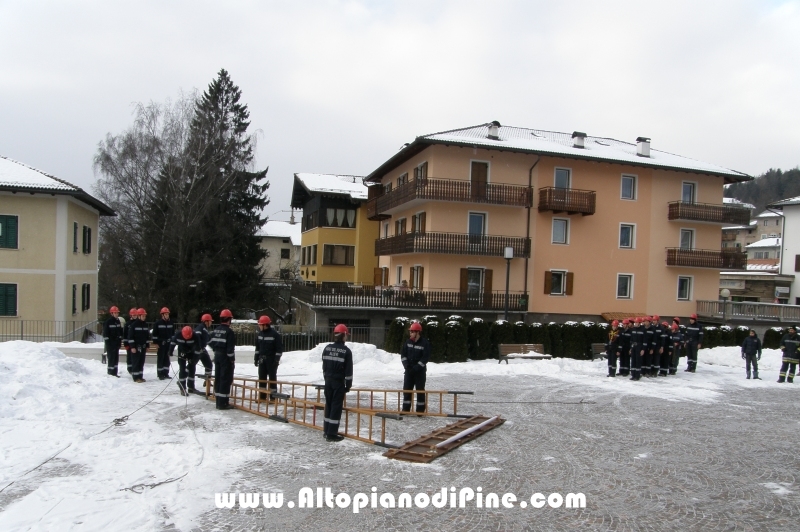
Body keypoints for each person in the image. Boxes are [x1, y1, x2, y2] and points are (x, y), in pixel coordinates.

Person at [321, 324, 353, 442]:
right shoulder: (346, 351)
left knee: (328, 405)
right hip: (338, 383)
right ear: (344, 335)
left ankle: (326, 430)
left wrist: (326, 378)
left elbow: (324, 366)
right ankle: (332, 433)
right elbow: (348, 371)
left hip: (328, 382)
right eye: (346, 335)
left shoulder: (327, 348)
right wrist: (348, 385)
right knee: (336, 407)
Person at [400, 321, 431, 412]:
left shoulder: (425, 343)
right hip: (409, 371)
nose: (410, 333)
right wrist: (407, 367)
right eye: (410, 331)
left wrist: (416, 368)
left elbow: (425, 359)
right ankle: (405, 409)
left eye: (412, 331)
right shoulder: (407, 342)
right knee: (407, 390)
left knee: (420, 391)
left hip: (419, 373)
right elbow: (403, 355)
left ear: (417, 333)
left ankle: (420, 411)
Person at [210, 309, 236, 409]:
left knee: (218, 378)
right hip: (225, 358)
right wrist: (232, 360)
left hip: (217, 356)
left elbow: (210, 341)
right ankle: (223, 403)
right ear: (229, 319)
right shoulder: (229, 332)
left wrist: (215, 349)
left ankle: (218, 402)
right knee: (225, 379)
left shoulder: (216, 330)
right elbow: (230, 349)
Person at [254, 315, 284, 401]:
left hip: (271, 360)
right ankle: (262, 396)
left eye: (260, 325)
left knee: (272, 378)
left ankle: (273, 397)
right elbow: (257, 348)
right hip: (262, 359)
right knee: (262, 378)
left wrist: (276, 359)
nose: (259, 326)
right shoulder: (260, 334)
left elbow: (279, 349)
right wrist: (256, 358)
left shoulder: (275, 335)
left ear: (265, 325)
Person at [172, 326, 204, 395]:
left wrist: (194, 359)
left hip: (191, 353)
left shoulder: (195, 336)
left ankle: (191, 387)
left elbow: (198, 349)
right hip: (182, 352)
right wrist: (170, 351)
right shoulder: (178, 334)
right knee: (182, 369)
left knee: (192, 368)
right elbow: (173, 343)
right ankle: (182, 387)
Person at [127, 308, 151, 383]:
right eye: (143, 316)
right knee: (136, 362)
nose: (144, 317)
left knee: (141, 362)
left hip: (143, 347)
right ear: (139, 316)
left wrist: (147, 346)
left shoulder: (145, 325)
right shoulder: (133, 325)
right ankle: (136, 377)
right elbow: (130, 337)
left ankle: (140, 376)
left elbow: (147, 337)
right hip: (136, 347)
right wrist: (133, 347)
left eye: (145, 316)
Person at [152, 307, 176, 380]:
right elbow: (154, 334)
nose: (167, 315)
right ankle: (160, 374)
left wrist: (172, 342)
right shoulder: (158, 323)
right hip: (161, 344)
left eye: (168, 314)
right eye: (165, 314)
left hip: (168, 344)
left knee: (167, 359)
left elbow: (173, 334)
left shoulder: (171, 323)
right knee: (161, 359)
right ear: (162, 315)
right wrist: (155, 343)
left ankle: (166, 373)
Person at [102, 306, 123, 377]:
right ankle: (111, 372)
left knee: (116, 358)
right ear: (112, 313)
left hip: (116, 343)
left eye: (117, 313)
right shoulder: (108, 322)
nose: (116, 314)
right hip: (111, 344)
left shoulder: (118, 321)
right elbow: (105, 334)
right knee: (111, 358)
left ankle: (115, 372)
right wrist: (108, 344)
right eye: (115, 313)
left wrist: (119, 342)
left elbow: (120, 332)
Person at [194, 313, 214, 384]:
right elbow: (197, 337)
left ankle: (207, 381)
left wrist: (216, 349)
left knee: (209, 365)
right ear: (206, 321)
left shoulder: (205, 330)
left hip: (202, 350)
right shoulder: (200, 328)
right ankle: (183, 378)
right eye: (210, 321)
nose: (211, 323)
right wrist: (198, 347)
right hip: (197, 350)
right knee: (191, 366)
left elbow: (210, 341)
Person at [124, 307, 137, 376]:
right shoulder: (127, 324)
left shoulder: (138, 323)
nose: (135, 316)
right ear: (131, 315)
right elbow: (125, 335)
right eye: (134, 315)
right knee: (129, 357)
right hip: (129, 344)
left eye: (136, 315)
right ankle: (130, 368)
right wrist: (126, 344)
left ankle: (134, 368)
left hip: (136, 344)